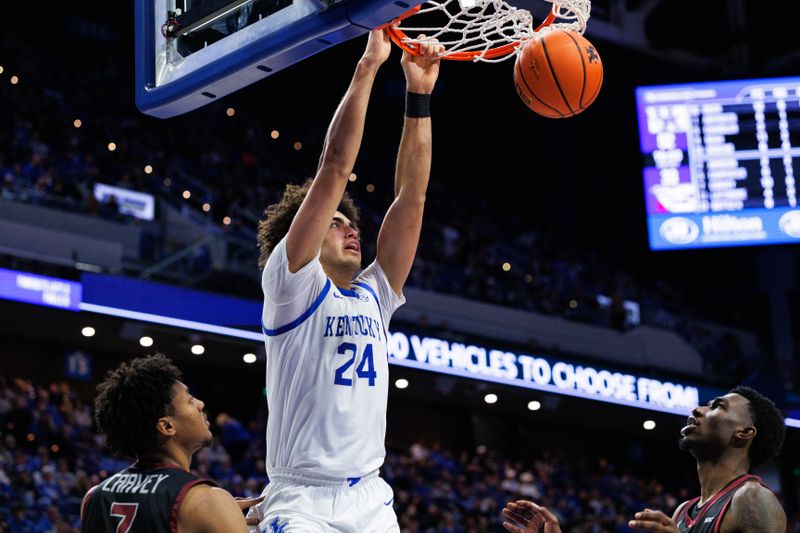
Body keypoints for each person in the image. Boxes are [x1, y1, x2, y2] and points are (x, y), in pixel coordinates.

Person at [250, 28, 443, 531]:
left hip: (370, 498)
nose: (350, 227)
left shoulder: (374, 295)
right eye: (333, 222)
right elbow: (334, 169)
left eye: (350, 220)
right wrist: (368, 67)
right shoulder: (291, 285)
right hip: (301, 497)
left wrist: (418, 96)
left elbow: (412, 197)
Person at [502, 386, 787, 533]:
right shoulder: (682, 513)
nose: (697, 410)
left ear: (744, 432)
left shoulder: (751, 499)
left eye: (717, 406)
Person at [81, 354, 262, 532]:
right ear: (167, 426)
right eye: (190, 400)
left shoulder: (94, 497)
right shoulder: (205, 501)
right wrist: (218, 515)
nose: (200, 404)